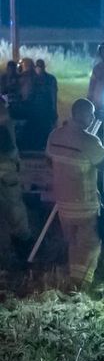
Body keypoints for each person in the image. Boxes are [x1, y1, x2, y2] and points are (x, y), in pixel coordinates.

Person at [46, 98, 104, 290]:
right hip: (84, 204)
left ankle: (72, 276)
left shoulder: (55, 135)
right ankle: (81, 283)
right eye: (91, 114)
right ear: (84, 115)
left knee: (72, 241)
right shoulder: (89, 140)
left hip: (62, 203)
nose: (94, 117)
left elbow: (49, 159)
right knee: (89, 244)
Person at [0, 96, 32, 262]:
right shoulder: (3, 109)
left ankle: (22, 246)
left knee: (14, 206)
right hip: (7, 164)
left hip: (5, 163)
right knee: (13, 206)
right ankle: (22, 245)